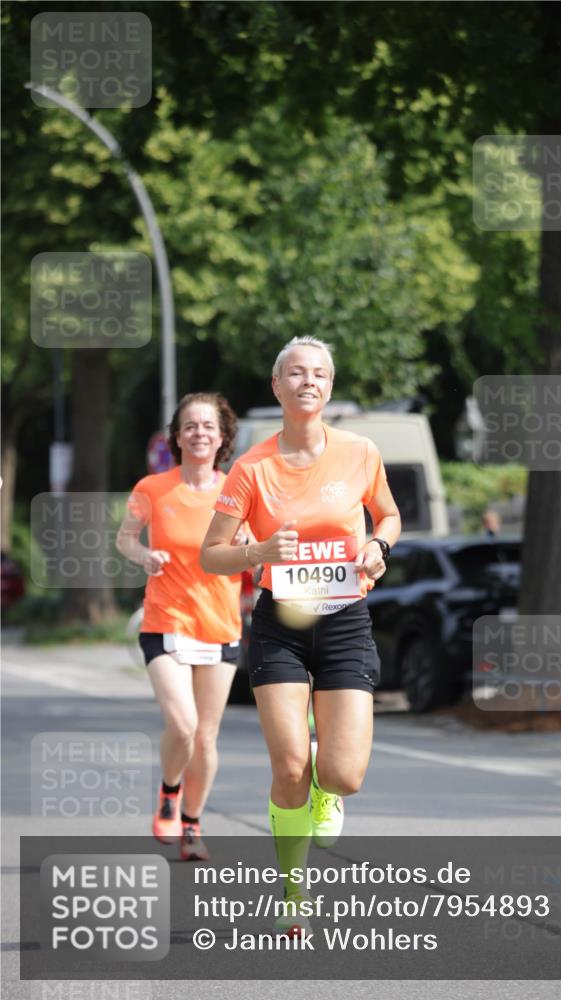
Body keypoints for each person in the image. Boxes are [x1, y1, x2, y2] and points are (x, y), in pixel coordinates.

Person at [201, 336, 401, 934]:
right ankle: (295, 891)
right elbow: (212, 555)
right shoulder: (251, 467)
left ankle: (325, 781)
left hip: (344, 621)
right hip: (281, 625)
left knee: (343, 776)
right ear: (277, 386)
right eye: (295, 373)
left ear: (329, 386)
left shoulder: (361, 452)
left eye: (318, 373)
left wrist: (377, 545)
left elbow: (388, 514)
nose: (308, 381)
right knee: (288, 766)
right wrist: (258, 550)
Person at [117, 393, 245, 861]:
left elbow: (253, 546)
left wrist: (251, 543)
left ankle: (192, 825)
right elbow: (125, 539)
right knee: (183, 724)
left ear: (222, 436)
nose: (199, 434)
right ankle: (169, 791)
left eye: (208, 426)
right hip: (165, 619)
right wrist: (144, 556)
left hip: (221, 623)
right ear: (176, 435)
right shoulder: (152, 488)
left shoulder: (237, 490)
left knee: (206, 737)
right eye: (190, 426)